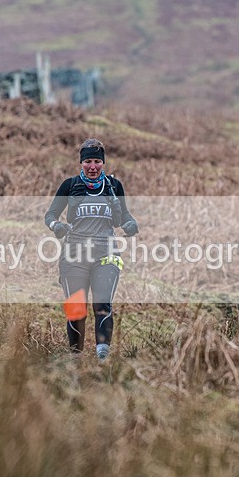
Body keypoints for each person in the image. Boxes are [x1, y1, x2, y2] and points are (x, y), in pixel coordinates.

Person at [44, 138, 139, 360]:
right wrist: (56, 226)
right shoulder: (70, 185)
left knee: (102, 305)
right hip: (74, 254)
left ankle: (102, 359)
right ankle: (76, 360)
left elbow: (124, 215)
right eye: (88, 161)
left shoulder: (114, 187)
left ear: (103, 163)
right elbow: (50, 215)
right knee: (76, 309)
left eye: (97, 161)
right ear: (81, 163)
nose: (93, 166)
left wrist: (131, 224)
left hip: (106, 253)